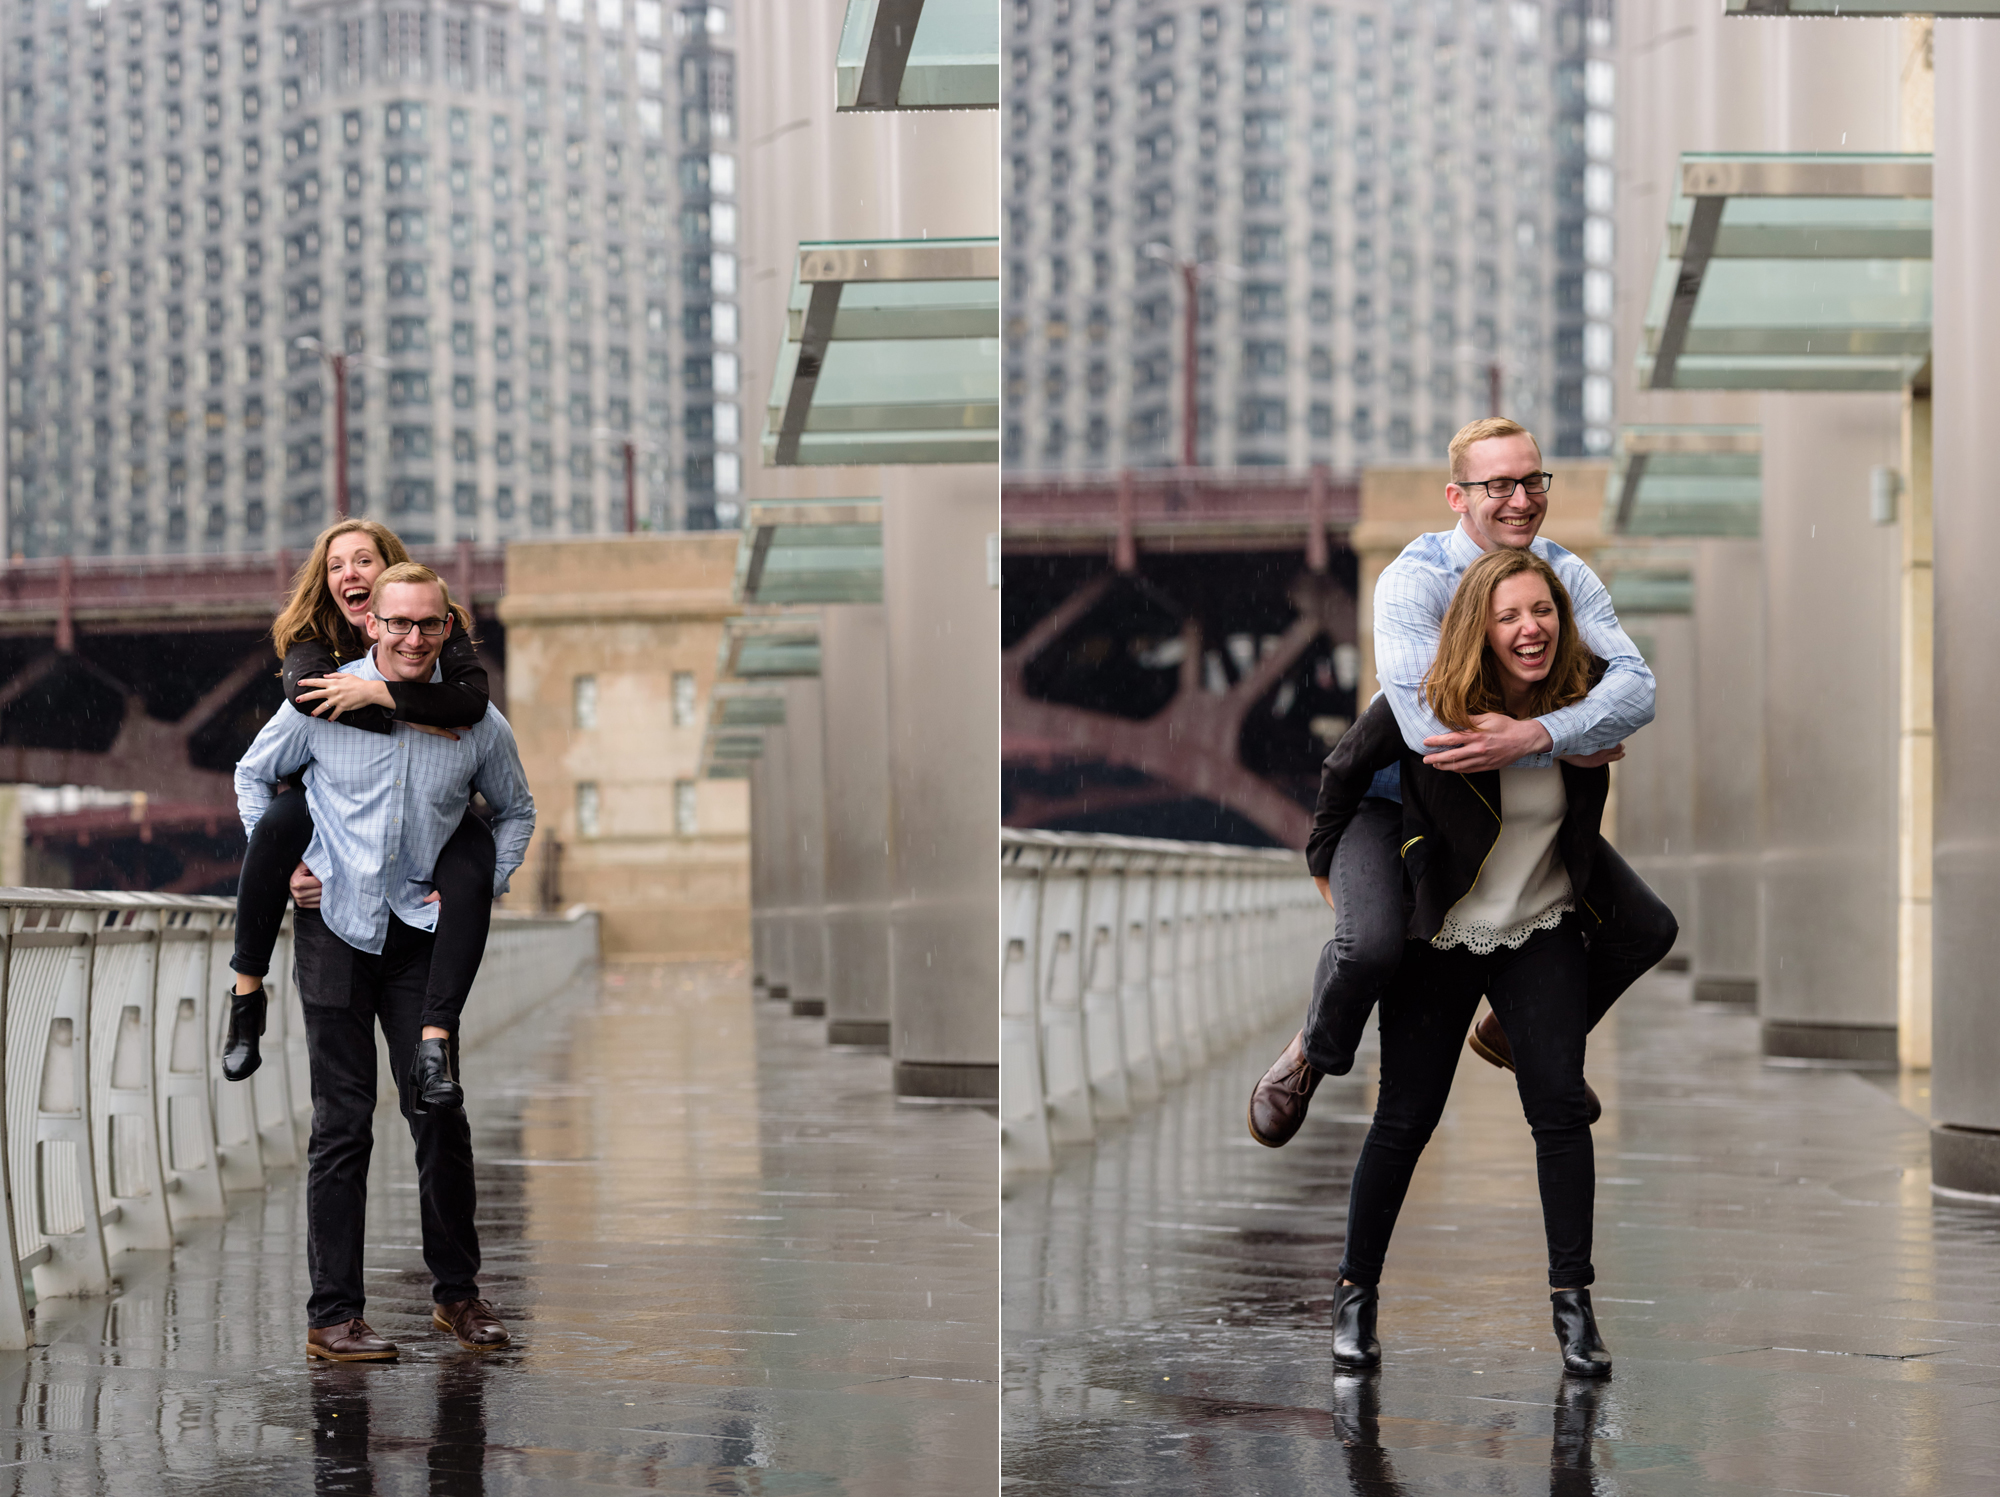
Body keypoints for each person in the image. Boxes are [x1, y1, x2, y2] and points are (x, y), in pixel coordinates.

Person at [1248, 417, 1677, 1146]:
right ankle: (1309, 1055)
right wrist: (1569, 740)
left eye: (1532, 480)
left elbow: (1639, 690)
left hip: (1505, 809)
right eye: (1498, 484)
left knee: (1644, 928)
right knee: (1373, 947)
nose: (1521, 499)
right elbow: (1429, 734)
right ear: (1457, 495)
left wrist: (1540, 732)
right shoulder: (1414, 580)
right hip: (1395, 807)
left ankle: (1514, 1035)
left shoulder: (1563, 576)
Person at [1313, 546, 1621, 1376]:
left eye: (1544, 611)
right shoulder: (1429, 704)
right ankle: (1354, 1295)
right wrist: (1327, 877)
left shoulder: (1581, 709)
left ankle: (1574, 1309)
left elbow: (1628, 713)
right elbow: (1342, 774)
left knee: (1560, 1111)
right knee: (1405, 1119)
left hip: (1542, 926)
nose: (1532, 629)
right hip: (1439, 934)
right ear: (1478, 629)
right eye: (1510, 615)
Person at [233, 562, 535, 1361]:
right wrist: (287, 862)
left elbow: (516, 809)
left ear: (446, 629)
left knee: (438, 1109)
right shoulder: (322, 701)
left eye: (426, 625)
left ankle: (458, 1298)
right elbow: (253, 774)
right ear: (372, 625)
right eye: (395, 624)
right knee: (341, 1123)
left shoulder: (477, 725)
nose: (409, 638)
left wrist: (487, 883)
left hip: (416, 935)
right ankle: (334, 1314)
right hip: (335, 924)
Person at [221, 518, 495, 1117]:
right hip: (323, 819)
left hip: (416, 857)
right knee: (278, 824)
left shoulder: (435, 633)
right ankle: (246, 994)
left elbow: (472, 704)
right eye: (336, 565)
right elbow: (283, 728)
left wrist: (381, 696)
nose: (351, 574)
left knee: (472, 843)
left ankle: (436, 1040)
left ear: (390, 570)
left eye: (364, 561)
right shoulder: (313, 648)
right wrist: (400, 709)